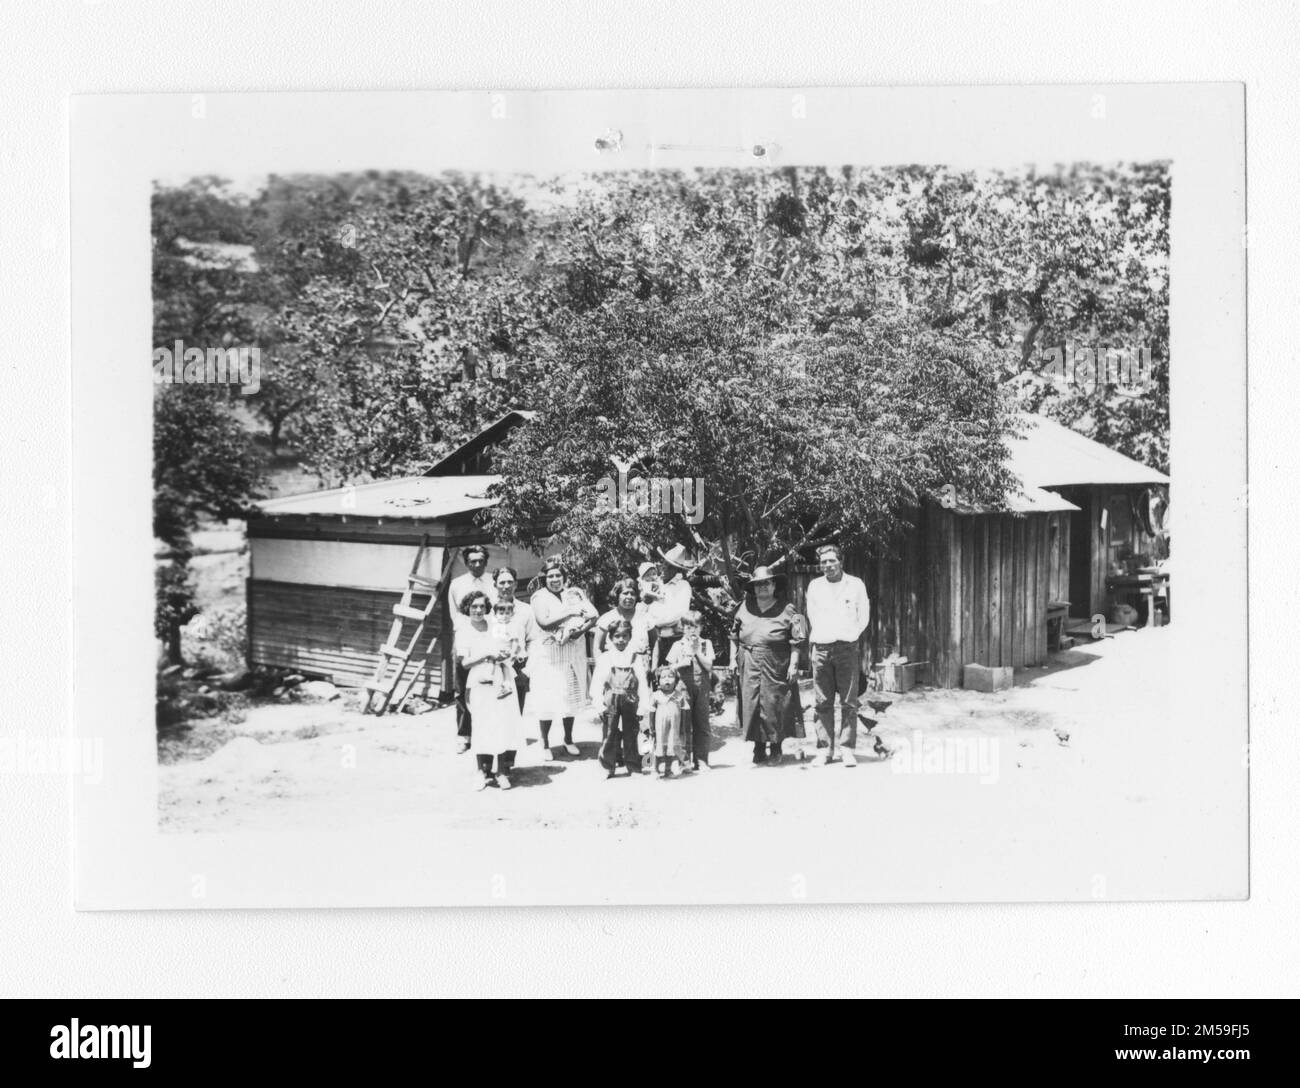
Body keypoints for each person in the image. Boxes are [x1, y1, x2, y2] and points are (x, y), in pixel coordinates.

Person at [732, 565, 806, 766]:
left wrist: (794, 664)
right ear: (752, 588)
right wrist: (733, 659)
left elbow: (799, 638)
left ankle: (775, 748)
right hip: (748, 661)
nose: (762, 587)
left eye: (766, 583)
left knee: (775, 705)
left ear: (774, 585)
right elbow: (733, 635)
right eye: (758, 584)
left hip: (777, 663)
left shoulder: (790, 609)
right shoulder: (743, 607)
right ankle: (758, 748)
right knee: (752, 704)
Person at [804, 544, 871, 767]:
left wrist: (849, 635)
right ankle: (825, 749)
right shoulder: (814, 586)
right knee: (822, 701)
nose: (828, 565)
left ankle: (847, 749)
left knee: (849, 701)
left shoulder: (855, 585)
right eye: (823, 562)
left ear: (840, 561)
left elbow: (863, 616)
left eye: (832, 560)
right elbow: (812, 616)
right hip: (821, 649)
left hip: (847, 648)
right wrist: (825, 636)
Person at [526, 558, 598, 760]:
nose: (555, 579)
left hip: (572, 653)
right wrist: (570, 613)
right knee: (547, 701)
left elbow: (593, 616)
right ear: (544, 579)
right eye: (550, 576)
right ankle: (545, 743)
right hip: (549, 656)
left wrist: (579, 631)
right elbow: (544, 623)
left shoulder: (574, 594)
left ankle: (568, 739)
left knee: (570, 699)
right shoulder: (538, 597)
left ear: (564, 577)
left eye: (558, 575)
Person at [456, 590, 524, 791]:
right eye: (474, 606)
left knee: (503, 723)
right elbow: (465, 663)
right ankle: (480, 771)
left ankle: (501, 771)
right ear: (467, 608)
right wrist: (486, 655)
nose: (478, 610)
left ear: (487, 608)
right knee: (481, 725)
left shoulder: (495, 624)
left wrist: (507, 655)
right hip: (479, 682)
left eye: (481, 606)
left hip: (501, 679)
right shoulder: (464, 631)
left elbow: (511, 645)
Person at [448, 546, 496, 755]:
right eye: (472, 561)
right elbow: (456, 616)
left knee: (489, 687)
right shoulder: (457, 584)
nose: (477, 565)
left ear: (486, 562)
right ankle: (464, 736)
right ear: (466, 563)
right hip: (465, 639)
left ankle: (489, 732)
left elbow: (495, 611)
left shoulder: (493, 582)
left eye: (480, 561)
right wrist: (466, 637)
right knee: (462, 690)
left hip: (488, 637)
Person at [588, 618, 647, 778]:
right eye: (617, 636)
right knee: (609, 734)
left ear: (630, 637)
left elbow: (642, 683)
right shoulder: (605, 658)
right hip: (610, 703)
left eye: (624, 636)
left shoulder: (636, 658)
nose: (621, 640)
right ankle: (607, 766)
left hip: (631, 702)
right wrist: (599, 705)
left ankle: (633, 767)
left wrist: (643, 706)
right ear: (610, 638)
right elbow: (596, 684)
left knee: (631, 734)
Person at [664, 610, 714, 771]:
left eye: (695, 626)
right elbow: (669, 668)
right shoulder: (677, 645)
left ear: (701, 627)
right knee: (683, 725)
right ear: (682, 628)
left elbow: (709, 666)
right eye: (688, 627)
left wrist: (696, 651)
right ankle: (684, 761)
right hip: (683, 688)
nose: (692, 630)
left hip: (702, 688)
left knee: (702, 724)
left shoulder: (706, 643)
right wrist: (680, 664)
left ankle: (702, 760)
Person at [645, 545, 695, 668]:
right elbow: (649, 610)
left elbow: (679, 613)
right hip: (653, 637)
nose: (664, 568)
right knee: (652, 673)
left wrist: (657, 622)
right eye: (664, 563)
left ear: (676, 570)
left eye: (669, 566)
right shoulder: (656, 584)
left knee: (671, 673)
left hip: (673, 637)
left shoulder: (683, 586)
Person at [492, 566, 533, 713]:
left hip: (518, 666)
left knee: (516, 712)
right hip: (493, 666)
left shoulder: (526, 610)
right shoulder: (487, 609)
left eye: (510, 582)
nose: (506, 586)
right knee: (494, 713)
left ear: (516, 584)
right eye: (502, 582)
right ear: (495, 585)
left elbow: (532, 640)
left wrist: (527, 670)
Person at [594, 577, 654, 659]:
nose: (629, 597)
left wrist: (653, 667)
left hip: (640, 664)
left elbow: (655, 643)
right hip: (613, 665)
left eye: (633, 594)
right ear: (617, 596)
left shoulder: (645, 618)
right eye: (625, 593)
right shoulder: (606, 619)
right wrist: (602, 668)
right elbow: (597, 648)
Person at [649, 665, 690, 778]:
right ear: (658, 681)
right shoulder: (656, 695)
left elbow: (684, 712)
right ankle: (655, 770)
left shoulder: (679, 696)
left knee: (671, 748)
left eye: (670, 676)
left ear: (676, 680)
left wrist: (682, 729)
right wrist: (651, 728)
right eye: (663, 677)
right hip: (659, 729)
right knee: (658, 747)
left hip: (674, 729)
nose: (667, 679)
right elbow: (651, 713)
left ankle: (668, 770)